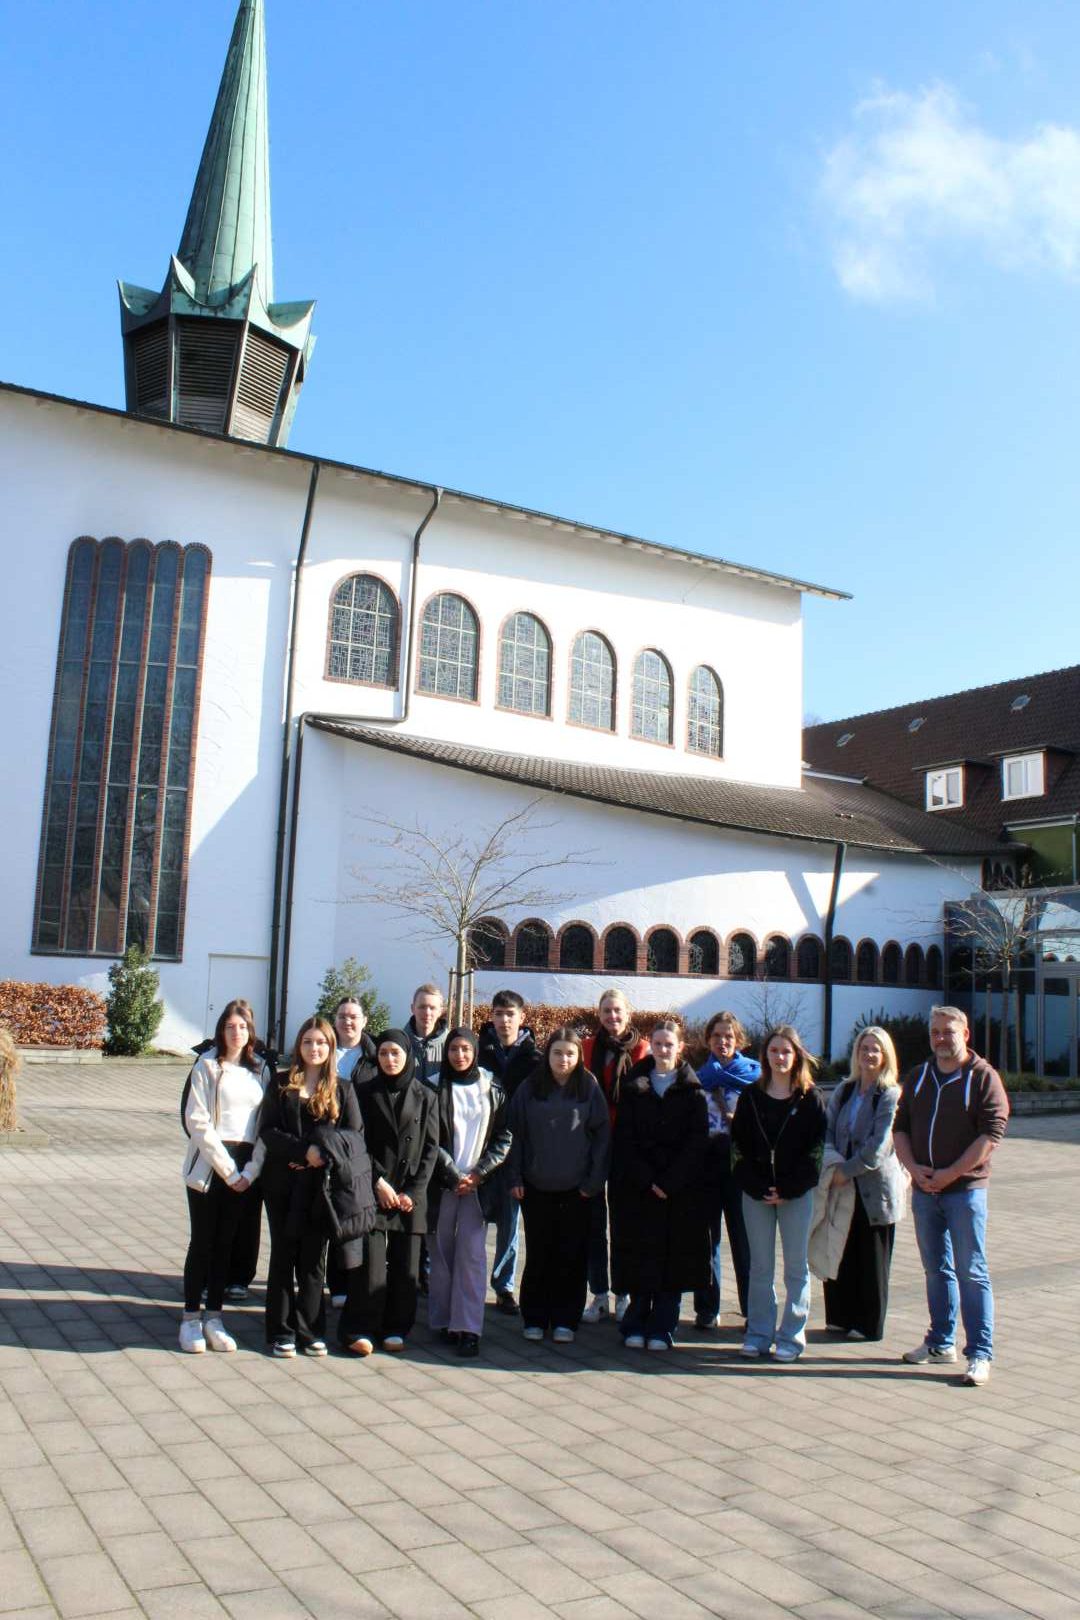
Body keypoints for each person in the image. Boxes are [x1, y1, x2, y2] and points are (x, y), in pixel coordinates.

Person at [893, 1005, 1009, 1387]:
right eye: (935, 1032)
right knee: (935, 1270)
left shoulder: (982, 1078)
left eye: (948, 1031)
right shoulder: (920, 1075)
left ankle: (979, 1353)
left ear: (965, 1034)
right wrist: (914, 1169)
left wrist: (949, 1174)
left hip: (965, 1193)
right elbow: (901, 1127)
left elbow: (990, 1134)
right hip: (926, 1191)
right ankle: (940, 1342)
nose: (941, 1038)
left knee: (971, 1272)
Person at [260, 1017, 361, 1357]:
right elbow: (268, 1130)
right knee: (283, 1258)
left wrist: (323, 1155)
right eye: (308, 1042)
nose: (314, 1048)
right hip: (283, 1185)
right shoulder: (280, 1084)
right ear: (299, 1046)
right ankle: (281, 1332)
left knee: (314, 1261)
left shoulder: (343, 1088)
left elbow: (353, 1137)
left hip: (322, 1188)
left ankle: (311, 1330)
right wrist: (304, 1151)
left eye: (321, 1042)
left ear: (330, 1047)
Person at [609, 1018, 709, 1351]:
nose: (663, 1050)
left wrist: (669, 1181)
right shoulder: (634, 1085)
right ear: (650, 1045)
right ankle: (635, 1321)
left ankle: (664, 1325)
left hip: (678, 1191)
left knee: (673, 1258)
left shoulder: (694, 1092)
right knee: (640, 1254)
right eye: (658, 1044)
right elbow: (624, 1138)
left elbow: (697, 1142)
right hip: (639, 1188)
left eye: (670, 1044)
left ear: (680, 1048)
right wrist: (647, 1179)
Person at [180, 1000, 272, 1353]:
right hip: (210, 1165)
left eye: (243, 1027)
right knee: (202, 1241)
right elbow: (197, 1121)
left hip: (246, 1167)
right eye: (231, 1026)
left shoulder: (260, 1069)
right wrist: (228, 1169)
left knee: (227, 1244)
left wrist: (251, 1170)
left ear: (251, 1031)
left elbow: (265, 1125)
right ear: (221, 1030)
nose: (237, 1033)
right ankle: (190, 1319)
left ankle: (214, 1317)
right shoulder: (206, 1065)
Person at [508, 1027, 609, 1343]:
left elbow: (602, 1136)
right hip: (536, 1186)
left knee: (571, 1255)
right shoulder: (530, 1087)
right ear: (547, 1054)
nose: (563, 1059)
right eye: (557, 1052)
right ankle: (535, 1317)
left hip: (576, 1189)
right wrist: (515, 1177)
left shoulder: (588, 1087)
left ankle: (566, 1318)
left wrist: (593, 1182)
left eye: (570, 1053)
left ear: (579, 1056)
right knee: (539, 1253)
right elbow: (515, 1135)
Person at [731, 1025, 826, 1362]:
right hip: (756, 1194)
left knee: (796, 1268)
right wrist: (757, 1186)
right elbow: (737, 1147)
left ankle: (791, 1336)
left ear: (796, 1055)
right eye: (774, 1051)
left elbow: (816, 1152)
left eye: (786, 1051)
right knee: (760, 1267)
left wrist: (788, 1189)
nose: (780, 1057)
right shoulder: (751, 1096)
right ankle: (758, 1333)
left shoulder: (811, 1099)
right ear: (765, 1055)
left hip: (795, 1196)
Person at [349, 1030, 439, 1353]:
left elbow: (431, 1148)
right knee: (370, 1266)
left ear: (407, 1057)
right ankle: (363, 1325)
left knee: (406, 1267)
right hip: (374, 1188)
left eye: (395, 1053)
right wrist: (378, 1182)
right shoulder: (363, 1092)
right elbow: (357, 1143)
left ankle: (397, 1327)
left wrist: (413, 1191)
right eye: (384, 1053)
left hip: (410, 1194)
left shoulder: (427, 1095)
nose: (389, 1059)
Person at [428, 1027, 512, 1358]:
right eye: (453, 1049)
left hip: (478, 1185)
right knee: (442, 1253)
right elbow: (430, 1137)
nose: (459, 1055)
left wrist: (478, 1174)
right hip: (445, 1182)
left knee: (472, 1256)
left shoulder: (491, 1086)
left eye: (465, 1049)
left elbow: (504, 1136)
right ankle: (445, 1321)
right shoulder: (434, 1086)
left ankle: (468, 1327)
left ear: (475, 1051)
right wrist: (452, 1174)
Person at [821, 1025, 908, 1342]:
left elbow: (880, 1145)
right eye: (863, 1048)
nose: (869, 1054)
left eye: (875, 1049)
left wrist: (849, 1169)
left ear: (885, 1055)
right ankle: (841, 1316)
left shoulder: (890, 1094)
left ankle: (868, 1323)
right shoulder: (845, 1090)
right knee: (841, 1247)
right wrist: (833, 1165)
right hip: (841, 1182)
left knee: (871, 1257)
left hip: (873, 1188)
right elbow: (827, 1131)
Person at [581, 989, 649, 1324]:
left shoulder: (642, 1050)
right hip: (594, 1144)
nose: (612, 1017)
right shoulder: (588, 1048)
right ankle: (599, 1294)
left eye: (618, 1011)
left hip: (627, 1146)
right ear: (599, 1014)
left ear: (628, 1013)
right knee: (594, 1224)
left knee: (624, 1223)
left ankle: (624, 1292)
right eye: (606, 1011)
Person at [693, 1011, 758, 1329]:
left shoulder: (754, 1078)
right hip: (706, 1166)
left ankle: (752, 1309)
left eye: (728, 1036)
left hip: (740, 1166)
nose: (722, 1041)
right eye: (717, 1036)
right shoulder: (699, 1077)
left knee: (744, 1241)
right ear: (708, 1039)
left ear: (739, 1041)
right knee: (707, 1241)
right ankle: (707, 1308)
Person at [477, 990, 538, 1315]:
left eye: (510, 1014)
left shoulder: (534, 1059)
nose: (504, 1020)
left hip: (516, 1151)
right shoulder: (477, 1051)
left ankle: (504, 1286)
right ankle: (471, 1280)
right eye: (499, 1014)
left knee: (510, 1224)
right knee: (476, 1220)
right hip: (481, 1148)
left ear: (522, 1018)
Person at [327, 996, 378, 1308]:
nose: (348, 1022)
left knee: (354, 1213)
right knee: (330, 1212)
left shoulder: (372, 1057)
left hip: (361, 1146)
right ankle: (334, 1282)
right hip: (329, 1142)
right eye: (343, 1016)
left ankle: (351, 1283)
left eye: (354, 1016)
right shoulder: (325, 1051)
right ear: (335, 1021)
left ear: (364, 1021)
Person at [405, 984, 449, 1089]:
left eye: (432, 1008)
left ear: (440, 1011)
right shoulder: (400, 1044)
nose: (427, 1013)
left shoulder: (451, 1045)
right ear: (412, 1008)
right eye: (422, 1007)